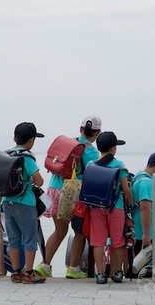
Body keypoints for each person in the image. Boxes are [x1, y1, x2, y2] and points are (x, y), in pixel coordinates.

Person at [35, 115, 102, 279]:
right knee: (79, 231)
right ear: (98, 133)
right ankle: (73, 268)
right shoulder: (91, 151)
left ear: (80, 129)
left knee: (59, 231)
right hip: (72, 192)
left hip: (54, 189)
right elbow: (95, 175)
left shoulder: (68, 143)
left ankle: (44, 265)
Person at [2, 122, 46, 284]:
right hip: (25, 203)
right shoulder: (27, 158)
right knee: (29, 238)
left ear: (14, 138)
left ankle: (16, 272)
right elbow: (39, 181)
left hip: (7, 202)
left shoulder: (7, 155)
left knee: (13, 238)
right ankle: (28, 272)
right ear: (31, 140)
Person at [89, 131, 133, 284]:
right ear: (114, 149)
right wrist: (131, 202)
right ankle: (117, 272)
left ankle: (100, 274)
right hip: (116, 207)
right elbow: (125, 188)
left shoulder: (91, 164)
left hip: (96, 207)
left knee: (98, 241)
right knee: (117, 241)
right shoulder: (119, 165)